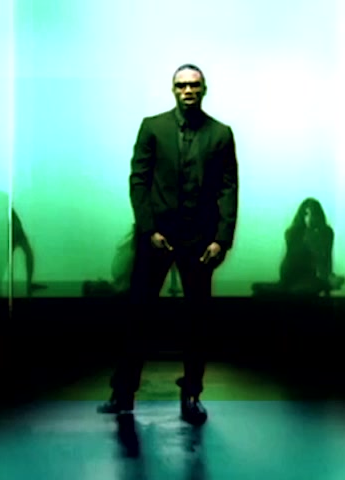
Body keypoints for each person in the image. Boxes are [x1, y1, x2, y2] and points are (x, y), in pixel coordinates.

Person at [97, 64, 239, 425]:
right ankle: (123, 393)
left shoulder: (221, 134)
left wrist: (222, 239)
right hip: (157, 237)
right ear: (173, 89)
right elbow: (138, 180)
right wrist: (149, 230)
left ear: (204, 89)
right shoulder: (153, 127)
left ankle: (191, 395)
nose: (187, 90)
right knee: (138, 314)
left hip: (199, 240)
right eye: (181, 85)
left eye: (193, 85)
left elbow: (228, 187)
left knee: (197, 320)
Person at [252, 198, 345, 297]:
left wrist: (328, 277)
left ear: (318, 215)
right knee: (259, 287)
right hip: (292, 276)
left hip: (310, 277)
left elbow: (327, 259)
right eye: (306, 214)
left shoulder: (326, 232)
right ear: (301, 215)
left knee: (306, 288)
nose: (310, 218)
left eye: (313, 214)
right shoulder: (293, 232)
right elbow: (291, 259)